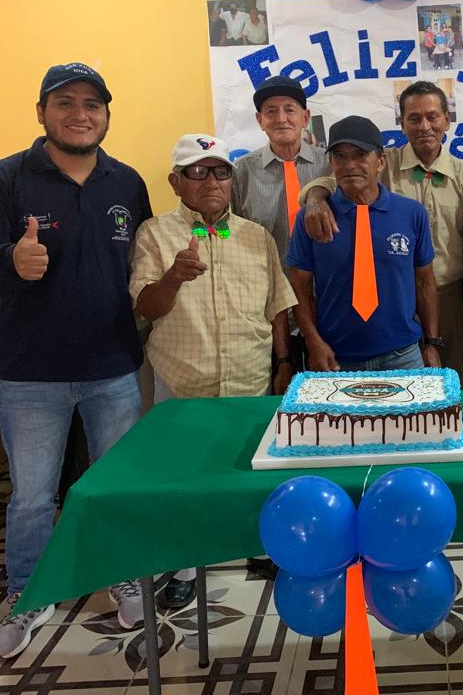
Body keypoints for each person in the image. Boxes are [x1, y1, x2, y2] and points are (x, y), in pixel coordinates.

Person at [0, 63, 152, 657]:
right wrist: (9, 263)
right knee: (32, 498)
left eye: (92, 104)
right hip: (31, 374)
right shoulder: (3, 179)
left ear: (107, 115)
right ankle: (29, 594)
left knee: (116, 485)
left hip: (113, 367)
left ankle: (123, 577)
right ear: (41, 112)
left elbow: (140, 265)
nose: (79, 114)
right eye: (64, 102)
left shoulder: (127, 183)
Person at [129, 134, 296, 609]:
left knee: (249, 470)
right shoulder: (154, 234)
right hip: (183, 382)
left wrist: (284, 362)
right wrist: (174, 277)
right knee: (185, 477)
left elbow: (277, 306)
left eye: (221, 171)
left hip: (249, 380)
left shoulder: (255, 235)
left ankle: (259, 547)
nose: (211, 181)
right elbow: (145, 306)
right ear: (175, 182)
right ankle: (187, 563)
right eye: (197, 172)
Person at [299, 81, 463, 386]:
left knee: (451, 384)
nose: (424, 126)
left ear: (447, 120)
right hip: (392, 294)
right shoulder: (383, 162)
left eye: (432, 117)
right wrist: (315, 197)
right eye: (414, 118)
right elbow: (338, 180)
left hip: (449, 296)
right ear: (402, 123)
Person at [287, 115, 441, 372]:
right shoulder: (312, 219)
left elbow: (425, 281)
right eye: (340, 156)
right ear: (331, 163)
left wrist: (432, 343)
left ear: (380, 161)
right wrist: (313, 343)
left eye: (360, 155)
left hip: (403, 355)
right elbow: (299, 288)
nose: (350, 165)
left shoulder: (411, 213)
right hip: (335, 358)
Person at [232, 76, 330, 369]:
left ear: (305, 118)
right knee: (278, 387)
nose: (281, 118)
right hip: (267, 308)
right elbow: (227, 231)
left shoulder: (329, 165)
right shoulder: (241, 172)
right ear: (260, 120)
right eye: (271, 111)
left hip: (325, 302)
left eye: (290, 109)